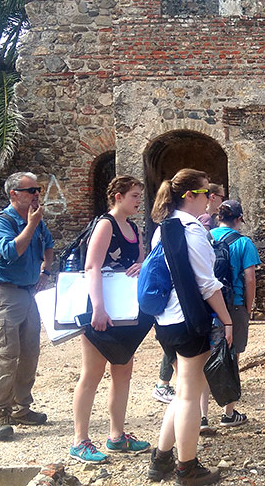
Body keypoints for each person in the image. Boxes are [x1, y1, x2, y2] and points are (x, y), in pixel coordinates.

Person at [146, 169, 233, 485]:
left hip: (166, 321)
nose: (211, 199)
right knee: (189, 396)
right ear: (190, 196)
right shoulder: (192, 230)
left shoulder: (162, 228)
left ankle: (162, 459)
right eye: (207, 192)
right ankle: (187, 467)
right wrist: (226, 320)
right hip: (188, 320)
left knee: (183, 391)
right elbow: (207, 284)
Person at [69, 176, 153, 463]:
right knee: (91, 374)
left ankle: (116, 436)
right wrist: (98, 309)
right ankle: (80, 440)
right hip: (101, 310)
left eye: (140, 195)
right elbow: (91, 266)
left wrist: (143, 265)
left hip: (126, 313)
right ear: (117, 196)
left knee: (123, 371)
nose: (138, 200)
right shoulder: (105, 224)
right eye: (134, 195)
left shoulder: (134, 228)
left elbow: (140, 262)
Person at [0, 171, 54, 440]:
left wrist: (45, 272)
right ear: (14, 194)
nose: (37, 194)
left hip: (28, 292)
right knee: (5, 354)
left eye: (38, 189)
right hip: (6, 292)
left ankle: (21, 408)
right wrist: (32, 225)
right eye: (31, 190)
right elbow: (13, 252)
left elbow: (48, 245)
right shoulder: (0, 223)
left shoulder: (35, 221)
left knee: (30, 353)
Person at [210, 200, 261, 427]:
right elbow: (250, 279)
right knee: (231, 357)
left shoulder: (205, 237)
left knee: (204, 356)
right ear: (239, 219)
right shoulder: (244, 243)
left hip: (209, 304)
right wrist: (248, 308)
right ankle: (228, 412)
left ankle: (201, 415)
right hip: (235, 304)